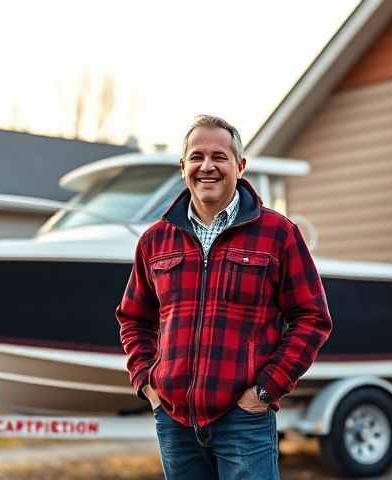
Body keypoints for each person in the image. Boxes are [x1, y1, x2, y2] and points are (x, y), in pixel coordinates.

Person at [116, 115, 332, 479]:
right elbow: (134, 318)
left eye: (219, 156)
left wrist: (265, 391)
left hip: (244, 420)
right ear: (183, 166)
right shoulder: (155, 240)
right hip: (175, 421)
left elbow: (312, 318)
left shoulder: (278, 234)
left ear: (240, 166)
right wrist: (148, 382)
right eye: (197, 157)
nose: (207, 166)